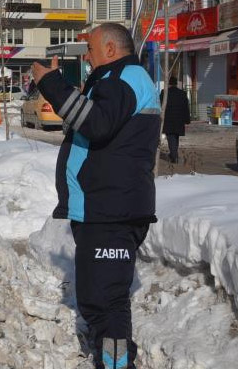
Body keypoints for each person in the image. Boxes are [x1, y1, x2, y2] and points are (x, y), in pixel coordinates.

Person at [31, 23, 160, 369]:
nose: (86, 57)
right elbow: (91, 123)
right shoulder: (112, 81)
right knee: (97, 298)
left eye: (90, 49)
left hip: (113, 211)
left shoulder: (126, 78)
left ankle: (116, 365)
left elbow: (97, 124)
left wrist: (51, 84)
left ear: (111, 49)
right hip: (102, 209)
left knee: (108, 303)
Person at [161, 76, 191, 163]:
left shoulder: (164, 93)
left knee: (170, 137)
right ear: (176, 83)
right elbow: (186, 107)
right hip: (179, 119)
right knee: (176, 137)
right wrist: (187, 119)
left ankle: (174, 156)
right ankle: (174, 154)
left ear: (169, 83)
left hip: (168, 119)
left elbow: (160, 105)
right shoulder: (182, 93)